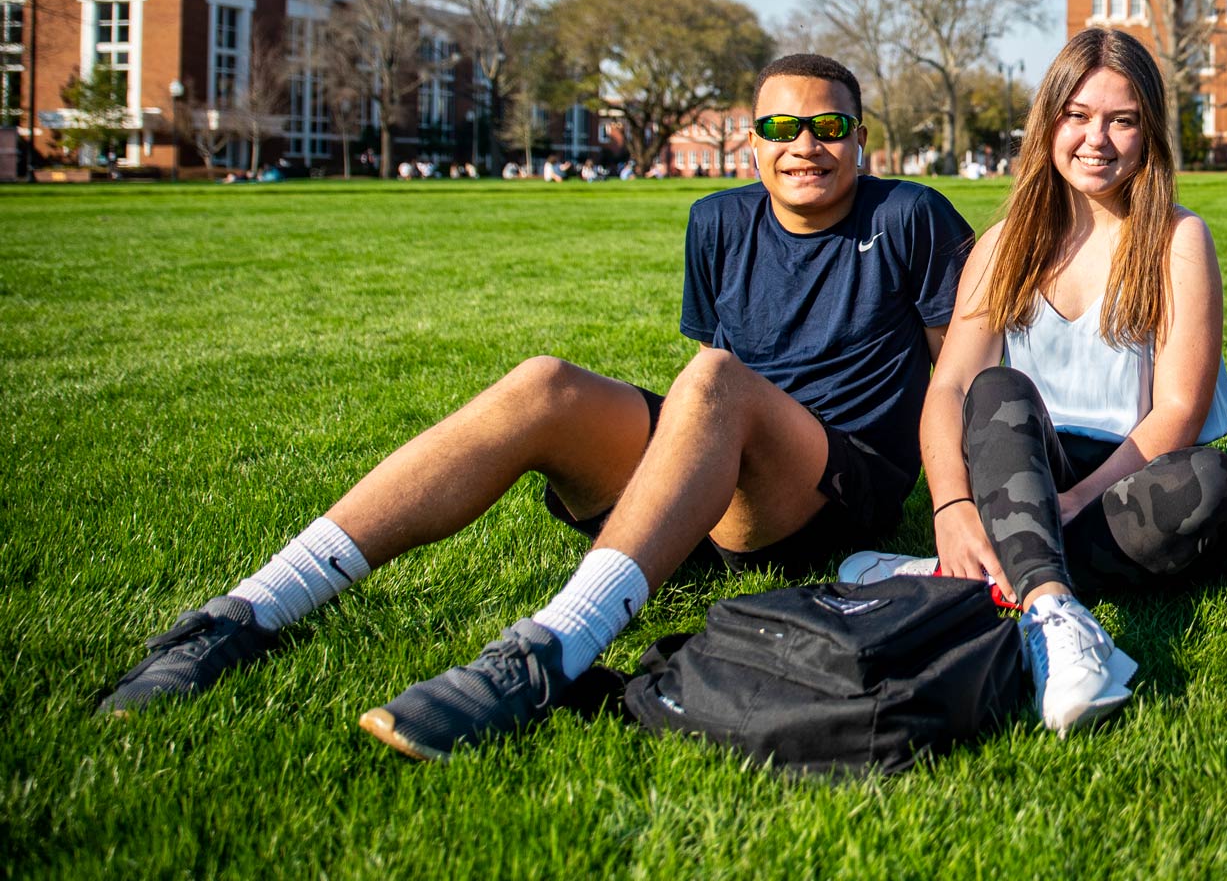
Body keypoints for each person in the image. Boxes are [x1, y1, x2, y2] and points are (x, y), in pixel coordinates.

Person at [99, 53, 975, 762]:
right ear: (753, 142)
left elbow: (957, 376)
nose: (805, 147)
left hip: (831, 486)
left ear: (861, 138)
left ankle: (548, 651)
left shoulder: (911, 215)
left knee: (711, 382)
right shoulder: (716, 221)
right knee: (543, 381)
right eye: (782, 128)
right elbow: (713, 365)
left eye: (829, 128)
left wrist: (969, 501)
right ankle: (244, 614)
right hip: (721, 470)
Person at [842, 29, 1227, 736]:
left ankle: (962, 579)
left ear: (1150, 134)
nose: (1098, 139)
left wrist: (1072, 502)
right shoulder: (1004, 245)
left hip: (1125, 479)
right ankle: (1054, 613)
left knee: (1209, 484)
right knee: (998, 392)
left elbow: (1178, 410)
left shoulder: (1180, 239)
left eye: (1123, 120)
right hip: (1019, 461)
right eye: (1078, 116)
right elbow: (950, 389)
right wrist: (952, 506)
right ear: (1048, 122)